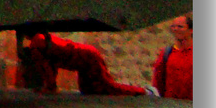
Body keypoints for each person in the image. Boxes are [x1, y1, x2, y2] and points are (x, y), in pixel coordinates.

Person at [16, 29, 148, 96]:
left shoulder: (36, 46)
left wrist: (49, 87)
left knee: (107, 87)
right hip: (84, 59)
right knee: (89, 91)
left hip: (88, 59)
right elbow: (51, 64)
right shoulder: (41, 38)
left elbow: (47, 68)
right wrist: (49, 86)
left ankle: (143, 92)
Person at [152, 13, 193, 100]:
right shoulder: (166, 53)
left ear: (191, 30)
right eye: (173, 26)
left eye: (180, 27)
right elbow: (158, 82)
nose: (176, 29)